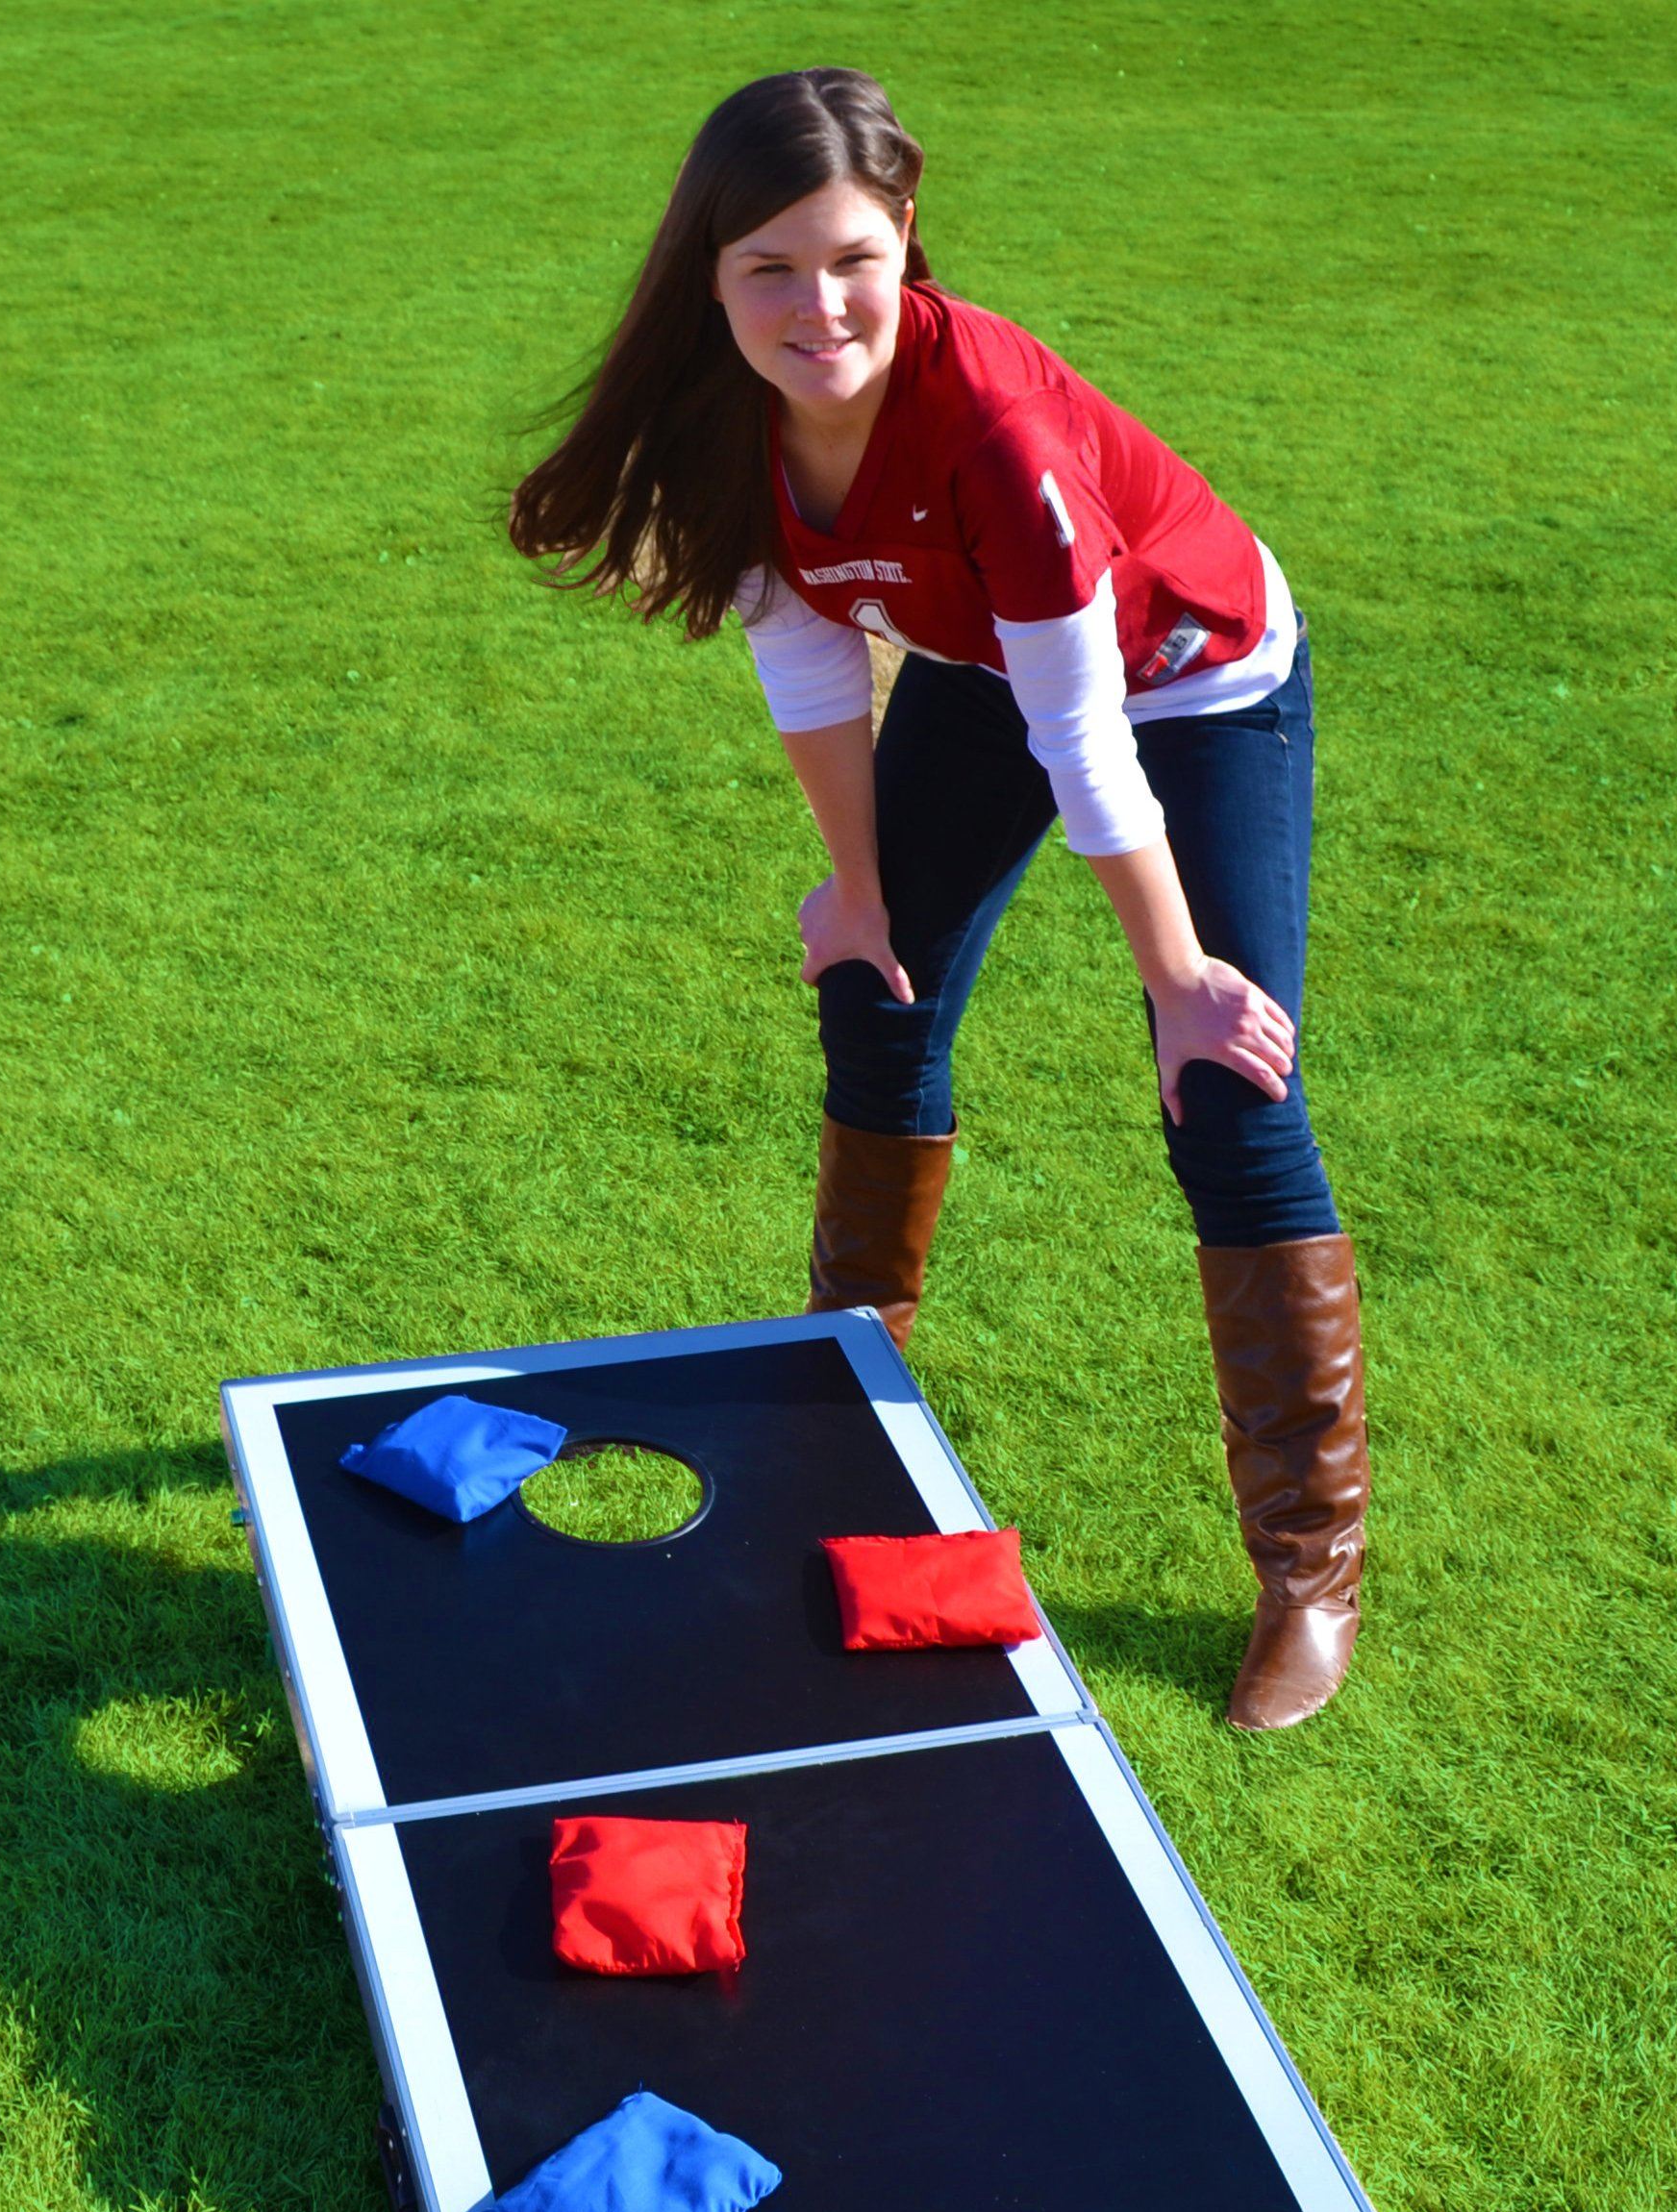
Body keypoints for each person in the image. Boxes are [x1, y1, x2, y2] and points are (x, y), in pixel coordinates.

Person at [508, 68, 1365, 1730]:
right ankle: (845, 1410)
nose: (816, 306)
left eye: (850, 258)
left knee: (1229, 1088)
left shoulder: (1004, 440)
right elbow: (811, 653)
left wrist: (1180, 976)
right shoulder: (727, 422)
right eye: (769, 268)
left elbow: (1084, 732)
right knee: (875, 987)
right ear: (710, 275)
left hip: (1190, 679)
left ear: (904, 238)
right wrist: (859, 892)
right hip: (988, 661)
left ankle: (1307, 1572)